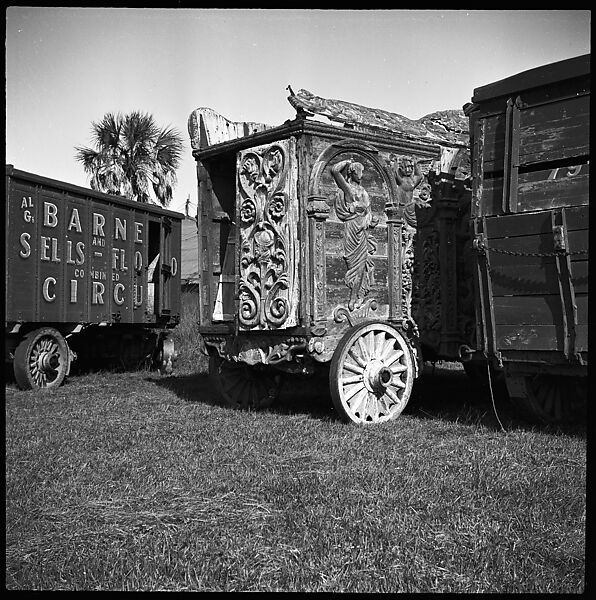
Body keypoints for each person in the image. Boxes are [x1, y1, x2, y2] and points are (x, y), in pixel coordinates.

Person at [330, 158, 378, 310]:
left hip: (362, 230)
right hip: (351, 228)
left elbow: (368, 211)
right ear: (352, 173)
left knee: (362, 264)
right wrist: (346, 162)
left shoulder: (363, 191)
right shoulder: (348, 188)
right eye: (360, 172)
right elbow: (335, 171)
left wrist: (371, 220)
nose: (362, 176)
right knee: (352, 264)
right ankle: (353, 296)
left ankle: (358, 296)